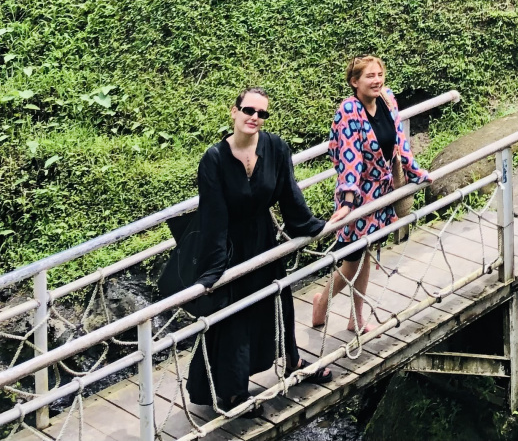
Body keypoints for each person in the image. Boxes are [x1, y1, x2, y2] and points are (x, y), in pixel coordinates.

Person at [160, 87, 332, 412]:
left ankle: (293, 360)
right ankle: (234, 391)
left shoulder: (275, 147)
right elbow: (213, 216)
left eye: (261, 113)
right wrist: (214, 271)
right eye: (249, 110)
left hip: (264, 240)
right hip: (230, 248)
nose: (254, 118)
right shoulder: (213, 159)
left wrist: (311, 225)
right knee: (235, 317)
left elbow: (289, 194)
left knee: (279, 301)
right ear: (234, 111)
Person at [311, 55, 425, 335]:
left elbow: (399, 141)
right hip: (359, 196)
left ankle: (356, 317)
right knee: (352, 260)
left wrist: (416, 172)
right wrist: (349, 200)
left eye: (379, 74)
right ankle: (321, 303)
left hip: (382, 192)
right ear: (354, 82)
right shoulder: (350, 110)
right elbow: (350, 156)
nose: (376, 81)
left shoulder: (387, 100)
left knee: (368, 254)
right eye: (369, 77)